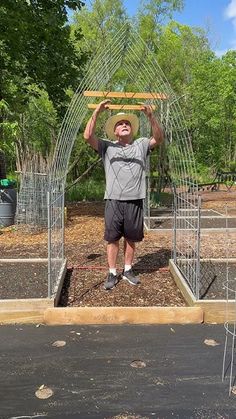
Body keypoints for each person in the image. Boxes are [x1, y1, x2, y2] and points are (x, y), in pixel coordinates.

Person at [84, 99, 164, 290]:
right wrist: (97, 111)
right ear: (115, 131)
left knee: (131, 237)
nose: (124, 125)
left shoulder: (141, 144)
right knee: (112, 238)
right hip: (113, 200)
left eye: (127, 123)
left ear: (132, 129)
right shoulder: (107, 147)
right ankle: (112, 272)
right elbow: (87, 136)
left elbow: (159, 138)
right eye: (120, 124)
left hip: (135, 200)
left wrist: (151, 116)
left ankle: (127, 269)